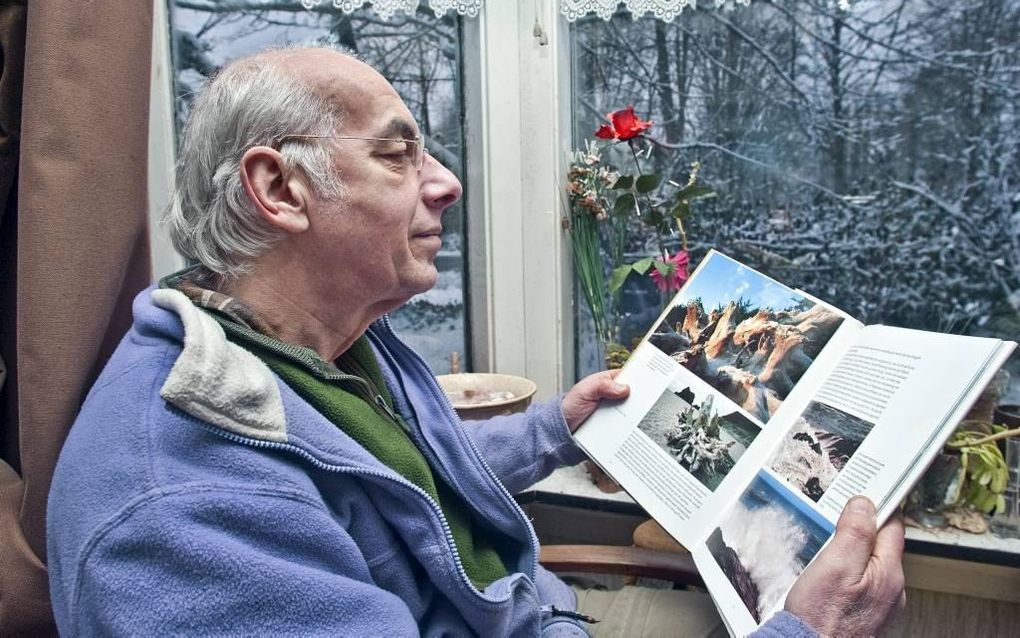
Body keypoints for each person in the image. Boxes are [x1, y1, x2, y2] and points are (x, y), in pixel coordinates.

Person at [46, 45, 904, 636]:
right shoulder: (181, 516)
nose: (447, 183)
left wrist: (553, 428)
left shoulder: (316, 348)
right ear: (280, 188)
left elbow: (394, 483)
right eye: (398, 154)